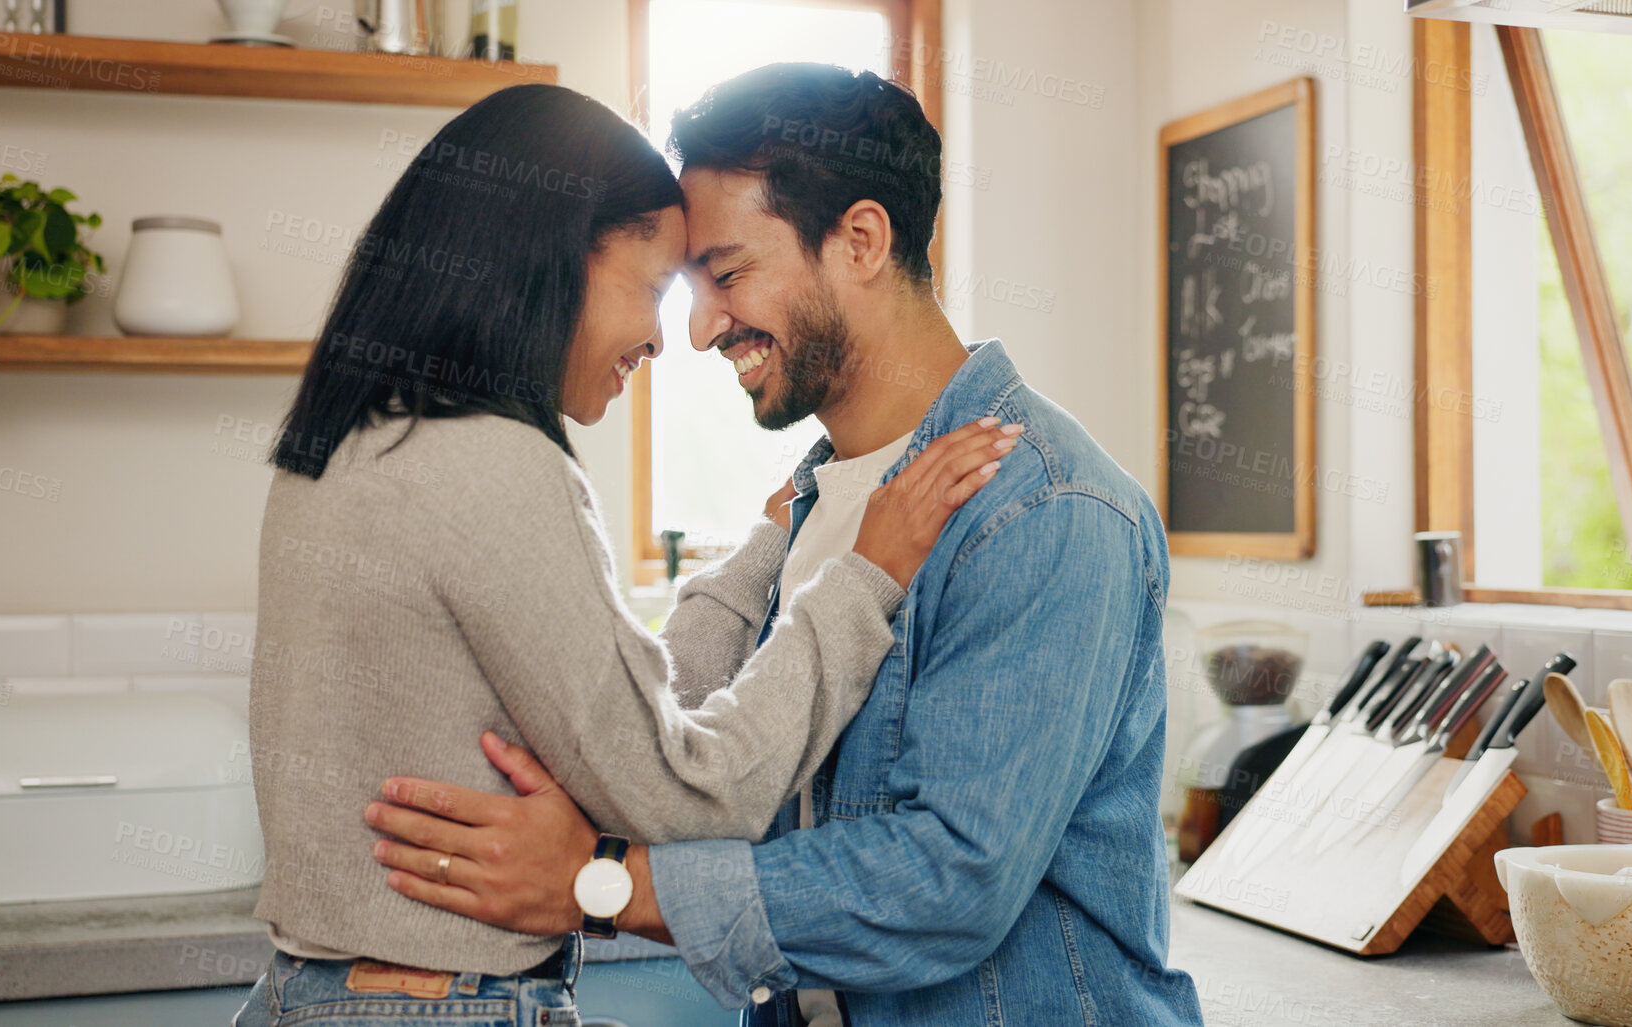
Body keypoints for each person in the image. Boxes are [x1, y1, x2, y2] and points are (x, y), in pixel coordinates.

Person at [366, 64, 1205, 1026]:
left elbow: (950, 879)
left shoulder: (1046, 508)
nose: (701, 329)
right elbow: (727, 767)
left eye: (725, 276)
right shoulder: (814, 500)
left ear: (860, 240)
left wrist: (604, 883)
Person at [231, 82, 1014, 1027]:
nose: (663, 336)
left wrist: (765, 547)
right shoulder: (493, 464)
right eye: (652, 289)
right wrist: (863, 578)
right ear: (548, 259)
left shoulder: (351, 444)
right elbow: (688, 791)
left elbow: (611, 730)